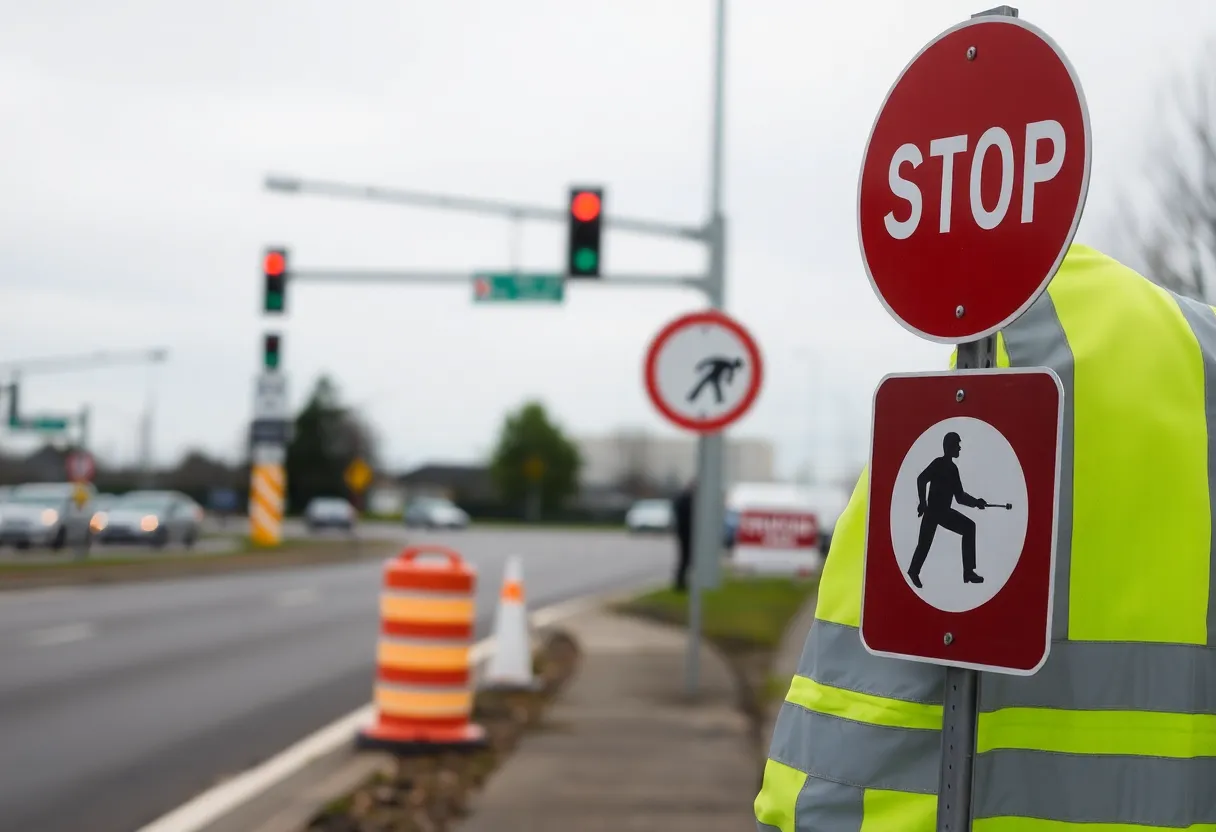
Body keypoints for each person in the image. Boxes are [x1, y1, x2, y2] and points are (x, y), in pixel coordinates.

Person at [756, 243, 1216, 829]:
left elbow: (964, 494)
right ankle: (935, 572)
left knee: (960, 533)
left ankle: (953, 571)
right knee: (927, 548)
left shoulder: (961, 443)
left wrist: (973, 502)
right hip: (930, 517)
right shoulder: (939, 456)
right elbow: (932, 481)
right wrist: (931, 501)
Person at [908, 430, 993, 587]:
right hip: (933, 511)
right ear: (950, 447)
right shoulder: (938, 463)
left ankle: (968, 572)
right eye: (957, 445)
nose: (959, 448)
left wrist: (976, 503)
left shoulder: (953, 469)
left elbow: (960, 497)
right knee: (924, 543)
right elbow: (921, 479)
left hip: (943, 512)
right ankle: (913, 571)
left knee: (968, 527)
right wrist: (922, 502)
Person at [672, 479, 695, 592]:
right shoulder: (686, 500)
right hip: (686, 533)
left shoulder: (682, 499)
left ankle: (682, 582)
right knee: (685, 558)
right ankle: (680, 583)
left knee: (685, 559)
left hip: (684, 533)